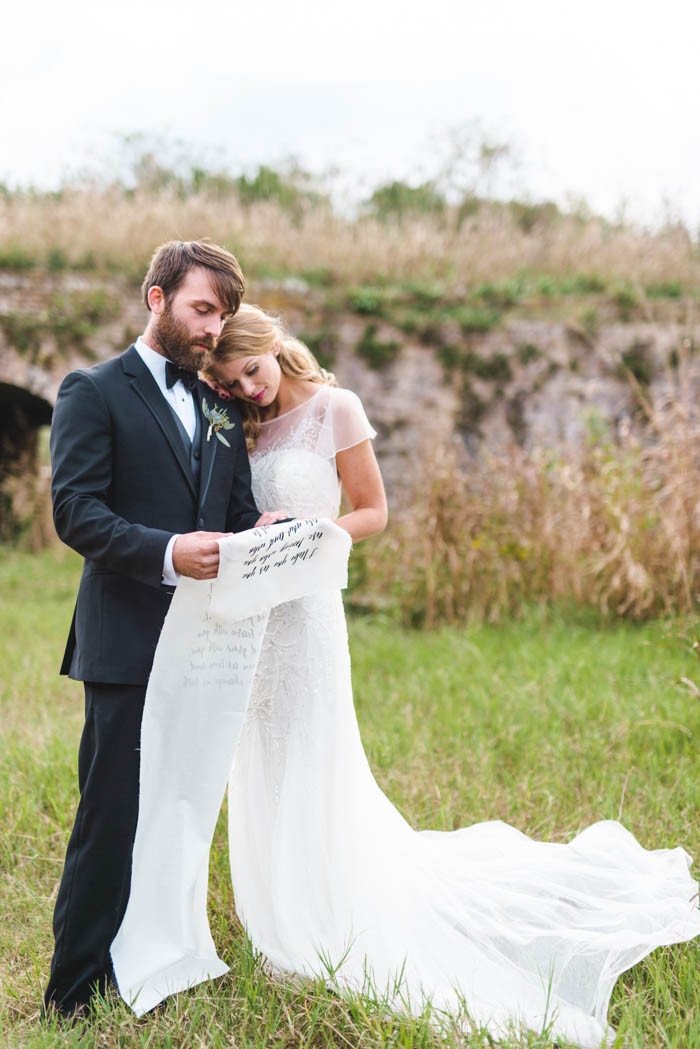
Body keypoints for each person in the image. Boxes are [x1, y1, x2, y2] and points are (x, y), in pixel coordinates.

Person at [202, 304, 700, 1049]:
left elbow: (375, 511)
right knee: (261, 750)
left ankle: (327, 902)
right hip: (255, 617)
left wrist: (314, 535)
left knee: (312, 745)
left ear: (275, 346)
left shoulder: (336, 407)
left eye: (253, 370)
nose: (249, 388)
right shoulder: (239, 428)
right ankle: (275, 902)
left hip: (308, 609)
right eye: (233, 381)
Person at [45, 241, 282, 1018]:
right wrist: (170, 552)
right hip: (124, 640)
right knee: (110, 815)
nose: (214, 328)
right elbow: (76, 513)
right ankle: (71, 994)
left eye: (223, 315)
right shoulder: (92, 391)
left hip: (203, 647)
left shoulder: (221, 406)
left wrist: (266, 529)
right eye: (202, 308)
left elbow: (235, 514)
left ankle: (144, 960)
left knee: (178, 809)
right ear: (157, 297)